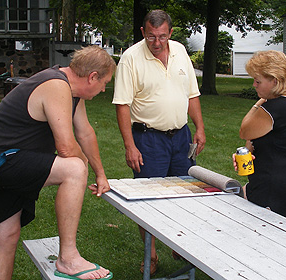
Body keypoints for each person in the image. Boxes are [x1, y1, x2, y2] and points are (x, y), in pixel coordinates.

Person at [0, 45, 116, 280]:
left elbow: (86, 133)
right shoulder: (56, 85)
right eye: (104, 83)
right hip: (1, 159)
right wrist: (83, 170)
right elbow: (66, 147)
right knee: (74, 168)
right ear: (92, 77)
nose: (103, 89)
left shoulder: (73, 92)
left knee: (7, 234)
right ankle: (68, 258)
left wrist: (100, 173)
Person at [112, 9, 206, 275]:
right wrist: (130, 145)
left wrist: (199, 127)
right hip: (148, 139)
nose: (157, 43)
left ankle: (179, 244)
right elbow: (122, 105)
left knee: (186, 194)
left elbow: (192, 94)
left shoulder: (179, 51)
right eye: (151, 37)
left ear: (170, 33)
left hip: (182, 137)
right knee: (147, 199)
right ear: (143, 32)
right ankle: (151, 255)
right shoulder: (130, 58)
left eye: (162, 36)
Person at [233, 50, 286, 221]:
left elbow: (244, 130)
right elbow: (269, 142)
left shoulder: (276, 109)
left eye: (258, 80)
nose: (254, 85)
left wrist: (258, 103)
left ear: (274, 81)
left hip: (269, 192)